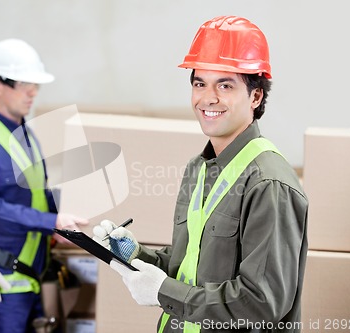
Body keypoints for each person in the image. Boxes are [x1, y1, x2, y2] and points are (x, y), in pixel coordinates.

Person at [93, 16, 308, 333]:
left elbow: (261, 303)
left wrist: (163, 291)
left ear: (256, 96)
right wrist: (137, 255)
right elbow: (192, 269)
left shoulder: (268, 183)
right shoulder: (199, 168)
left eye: (225, 85)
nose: (208, 97)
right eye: (199, 83)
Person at [0, 38, 88, 333]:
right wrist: (50, 221)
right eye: (23, 83)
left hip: (32, 279)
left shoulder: (26, 134)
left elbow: (39, 193)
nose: (33, 92)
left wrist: (61, 224)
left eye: (35, 84)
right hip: (1, 284)